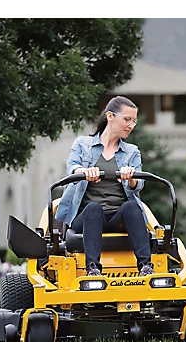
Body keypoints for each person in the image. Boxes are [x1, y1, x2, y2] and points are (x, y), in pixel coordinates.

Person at [55, 96, 154, 277]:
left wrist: (131, 178)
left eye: (134, 121)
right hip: (87, 217)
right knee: (94, 208)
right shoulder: (82, 144)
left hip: (118, 217)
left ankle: (146, 268)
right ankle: (93, 269)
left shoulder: (132, 151)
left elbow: (138, 185)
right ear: (110, 116)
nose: (131, 125)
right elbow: (73, 168)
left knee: (132, 206)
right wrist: (84, 171)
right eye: (127, 119)